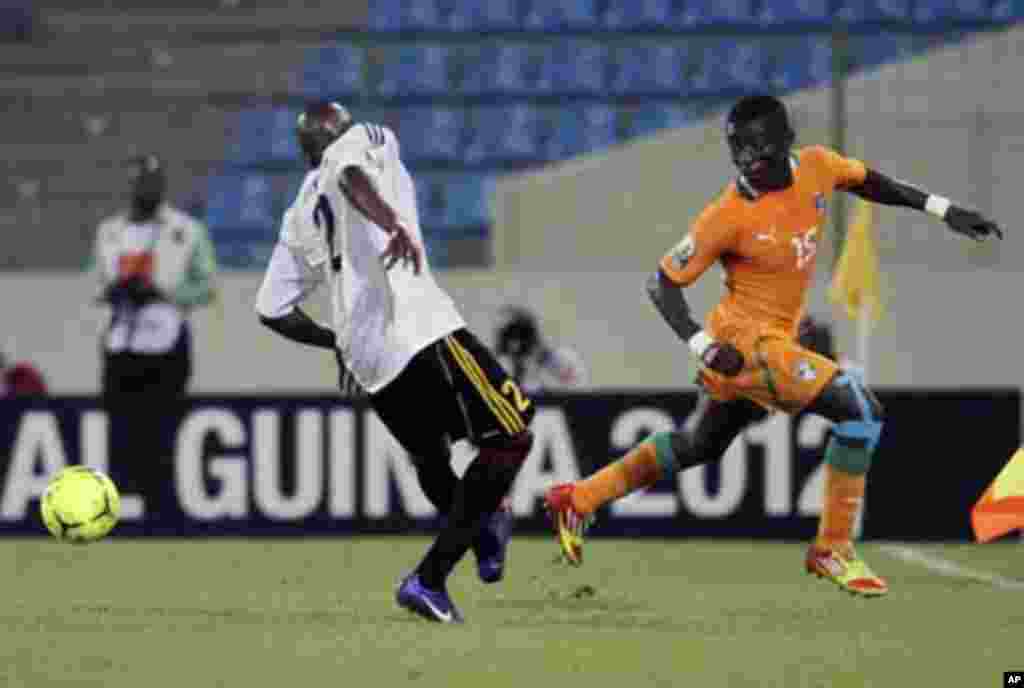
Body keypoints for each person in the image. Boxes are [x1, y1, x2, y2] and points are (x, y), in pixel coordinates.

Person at [545, 95, 1002, 597]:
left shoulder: (818, 166)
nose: (748, 166)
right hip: (745, 345)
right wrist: (701, 345)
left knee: (701, 444)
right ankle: (833, 547)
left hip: (768, 342)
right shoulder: (727, 214)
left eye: (757, 155)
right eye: (739, 155)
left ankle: (580, 498)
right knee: (862, 411)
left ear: (785, 143)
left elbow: (871, 182)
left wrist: (943, 209)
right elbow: (661, 283)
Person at [255, 102, 535, 623]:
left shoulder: (298, 217)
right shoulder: (364, 139)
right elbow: (351, 174)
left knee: (432, 460)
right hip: (417, 326)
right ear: (337, 132)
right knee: (512, 435)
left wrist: (334, 342)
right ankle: (432, 576)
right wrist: (393, 225)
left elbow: (271, 310)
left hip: (368, 359)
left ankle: (478, 530)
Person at [90, 154, 217, 531]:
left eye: (150, 180)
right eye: (137, 180)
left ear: (161, 185)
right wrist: (114, 291)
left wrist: (163, 292)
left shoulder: (187, 230)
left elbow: (206, 287)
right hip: (120, 342)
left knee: (163, 428)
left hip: (166, 343)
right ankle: (119, 511)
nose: (143, 187)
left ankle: (162, 511)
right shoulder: (109, 232)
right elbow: (98, 283)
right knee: (120, 430)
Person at [494, 305, 588, 395]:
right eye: (508, 337)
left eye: (522, 335)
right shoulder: (500, 366)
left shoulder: (559, 359)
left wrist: (542, 361)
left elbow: (577, 391)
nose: (515, 346)